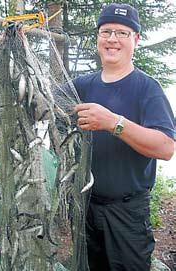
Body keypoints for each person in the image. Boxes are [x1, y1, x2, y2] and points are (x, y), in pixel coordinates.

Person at [73, 3, 175, 271]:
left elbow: (166, 148)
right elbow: (41, 101)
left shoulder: (147, 88)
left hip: (128, 215)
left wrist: (113, 122)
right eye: (106, 32)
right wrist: (17, 40)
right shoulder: (83, 85)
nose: (112, 39)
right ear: (98, 38)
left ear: (136, 40)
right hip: (87, 208)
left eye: (122, 33)